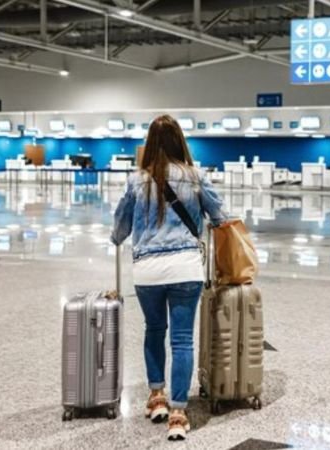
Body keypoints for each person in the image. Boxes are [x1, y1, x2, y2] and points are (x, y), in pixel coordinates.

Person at [110, 114, 227, 440]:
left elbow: (120, 228)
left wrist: (118, 238)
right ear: (180, 141)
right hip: (185, 268)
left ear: (150, 144)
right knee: (182, 340)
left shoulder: (137, 180)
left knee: (154, 330)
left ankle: (156, 396)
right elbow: (220, 216)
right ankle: (178, 412)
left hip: (147, 272)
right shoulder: (195, 176)